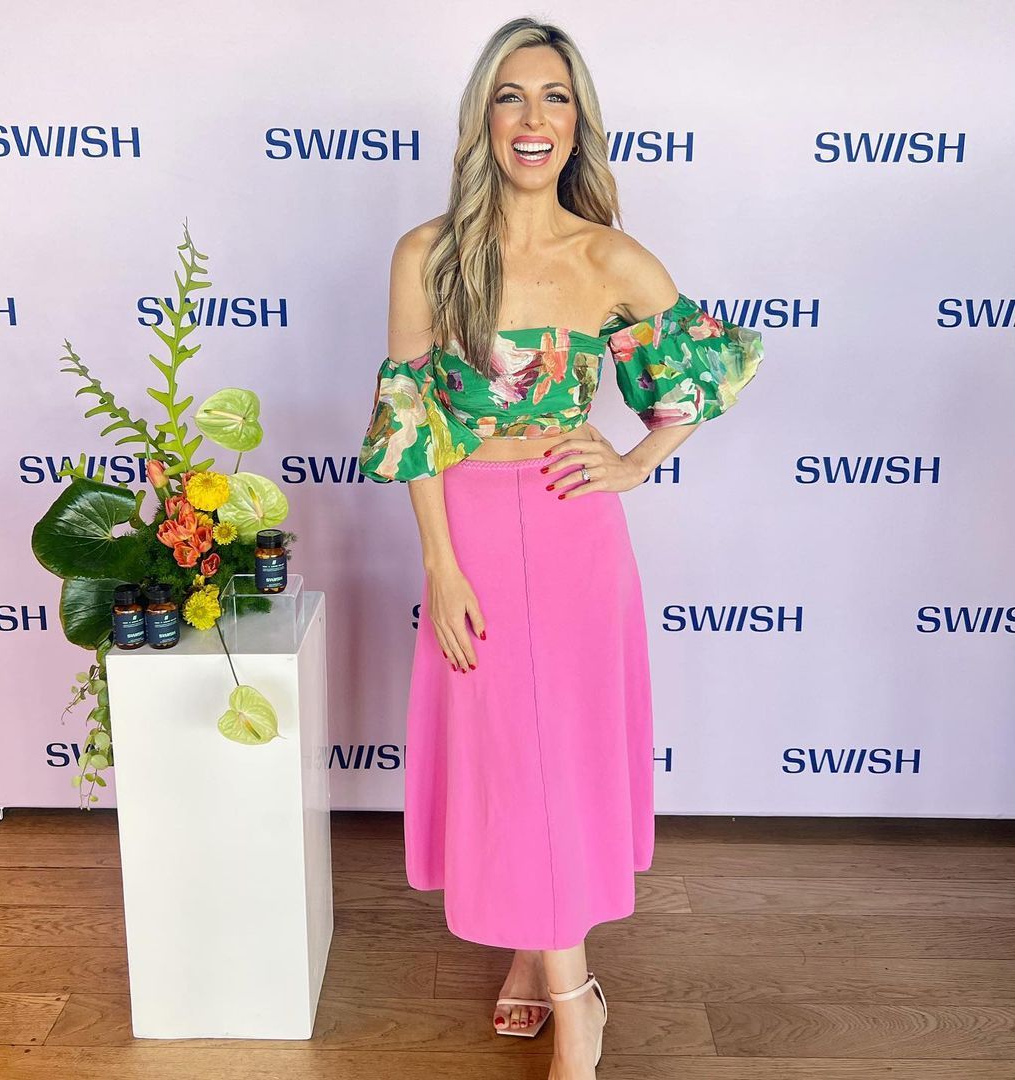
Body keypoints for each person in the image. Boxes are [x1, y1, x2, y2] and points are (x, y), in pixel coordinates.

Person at [358, 16, 764, 1078]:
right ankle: (533, 953)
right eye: (511, 96)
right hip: (473, 532)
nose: (532, 118)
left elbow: (710, 371)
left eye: (554, 97)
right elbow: (413, 420)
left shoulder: (608, 257)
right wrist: (441, 564)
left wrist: (637, 459)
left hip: (574, 526)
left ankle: (574, 1000)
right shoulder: (428, 255)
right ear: (483, 119)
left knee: (558, 758)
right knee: (505, 757)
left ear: (578, 123)